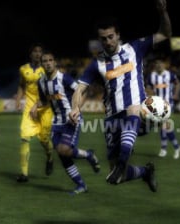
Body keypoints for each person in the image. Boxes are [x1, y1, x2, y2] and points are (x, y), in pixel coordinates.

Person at [69, 0, 172, 191]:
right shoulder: (96, 64)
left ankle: (123, 161)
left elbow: (165, 34)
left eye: (111, 37)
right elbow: (80, 89)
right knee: (116, 177)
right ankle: (144, 172)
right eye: (103, 39)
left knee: (132, 108)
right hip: (112, 119)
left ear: (118, 35)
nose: (108, 42)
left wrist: (163, 13)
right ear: (99, 40)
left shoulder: (135, 48)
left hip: (138, 113)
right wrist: (75, 107)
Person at [30, 51, 100, 194]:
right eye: (45, 61)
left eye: (50, 60)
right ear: (42, 64)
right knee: (63, 155)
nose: (48, 63)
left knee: (64, 150)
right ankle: (81, 185)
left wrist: (77, 109)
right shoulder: (41, 82)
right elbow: (44, 100)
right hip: (57, 122)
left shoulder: (64, 78)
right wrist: (35, 106)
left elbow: (82, 91)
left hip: (70, 119)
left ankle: (88, 155)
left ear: (55, 62)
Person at [14, 43, 54, 182]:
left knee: (44, 140)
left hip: (45, 109)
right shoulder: (23, 69)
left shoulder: (47, 68)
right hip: (29, 109)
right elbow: (21, 85)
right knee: (24, 138)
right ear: (31, 54)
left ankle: (50, 157)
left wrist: (37, 106)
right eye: (35, 51)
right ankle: (24, 174)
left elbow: (51, 91)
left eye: (40, 51)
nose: (37, 54)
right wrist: (18, 99)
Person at [146, 56, 180, 159]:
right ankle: (176, 147)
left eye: (161, 63)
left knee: (164, 126)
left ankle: (164, 149)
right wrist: (150, 95)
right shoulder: (152, 76)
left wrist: (176, 94)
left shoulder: (170, 75)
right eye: (157, 63)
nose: (159, 65)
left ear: (164, 65)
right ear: (155, 65)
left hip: (168, 104)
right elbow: (148, 88)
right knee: (165, 127)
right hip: (157, 105)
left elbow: (177, 83)